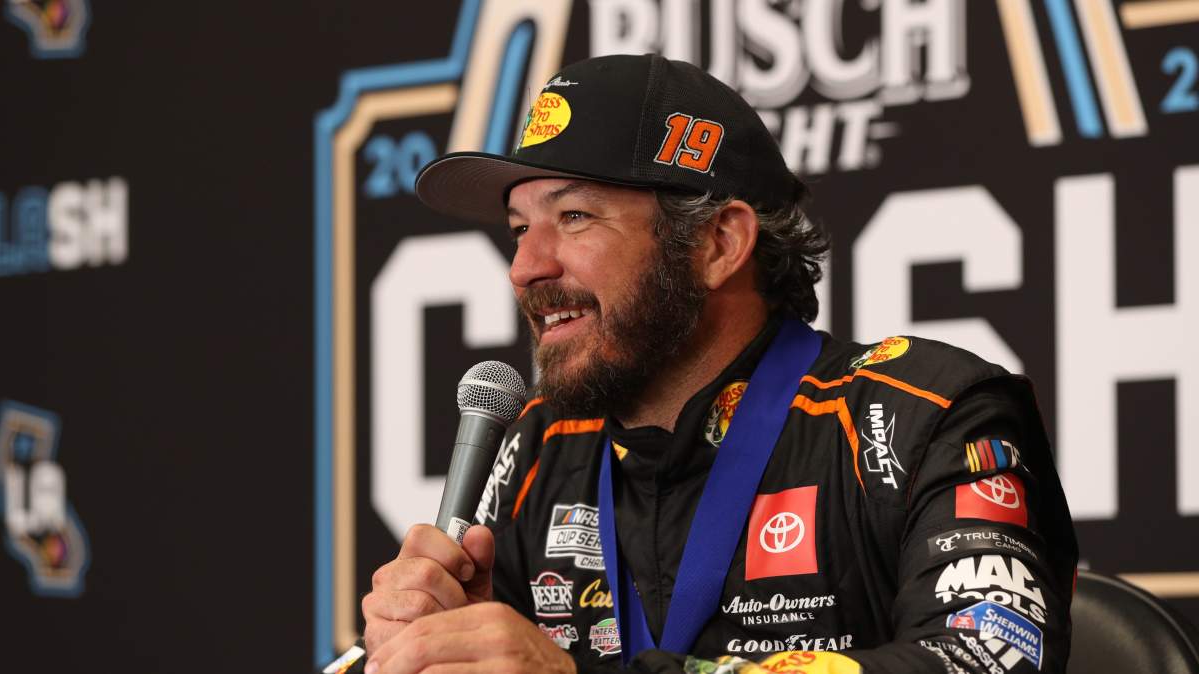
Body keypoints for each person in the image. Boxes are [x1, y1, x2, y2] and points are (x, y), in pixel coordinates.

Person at [355, 54, 1077, 674]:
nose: (525, 268)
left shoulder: (927, 415)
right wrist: (431, 645)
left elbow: (990, 657)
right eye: (519, 230)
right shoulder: (541, 445)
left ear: (718, 244)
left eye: (574, 217)